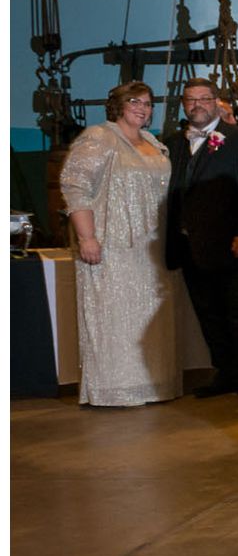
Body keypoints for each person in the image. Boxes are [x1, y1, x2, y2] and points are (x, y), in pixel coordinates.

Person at [58, 80, 179, 406]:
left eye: (148, 103)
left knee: (148, 319)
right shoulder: (99, 137)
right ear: (119, 106)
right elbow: (75, 186)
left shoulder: (153, 142)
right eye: (135, 102)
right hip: (113, 247)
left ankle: (154, 385)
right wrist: (88, 237)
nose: (142, 108)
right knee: (115, 318)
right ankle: (115, 390)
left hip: (151, 250)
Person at [165, 77, 238, 401]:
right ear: (183, 105)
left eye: (204, 98)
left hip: (233, 246)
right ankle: (224, 372)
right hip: (189, 247)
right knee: (208, 314)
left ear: (215, 102)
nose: (197, 104)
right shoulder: (172, 143)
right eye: (190, 99)